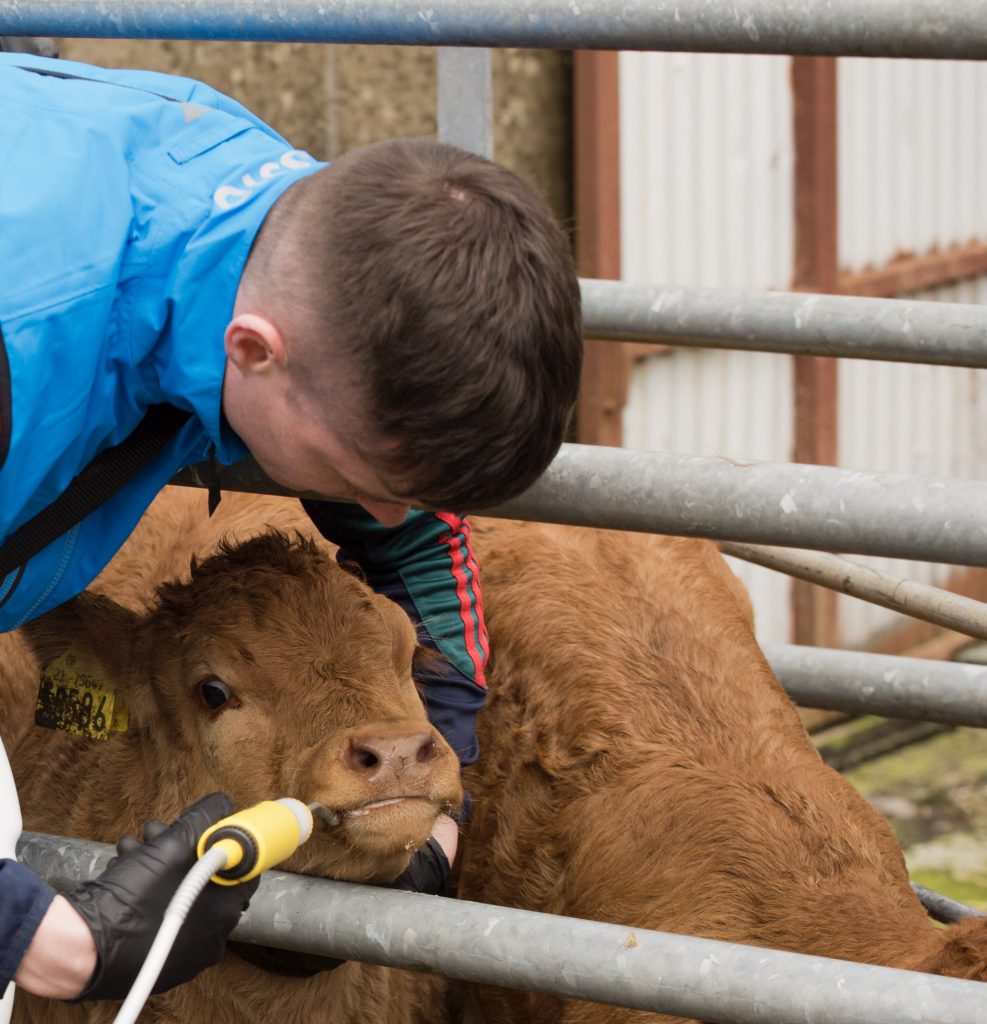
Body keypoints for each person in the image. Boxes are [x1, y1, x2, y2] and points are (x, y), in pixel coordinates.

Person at [0, 50, 582, 1004]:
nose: (387, 516)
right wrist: (46, 937)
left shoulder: (288, 235)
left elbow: (412, 535)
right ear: (254, 352)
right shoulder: (25, 339)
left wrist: (433, 809)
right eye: (361, 475)